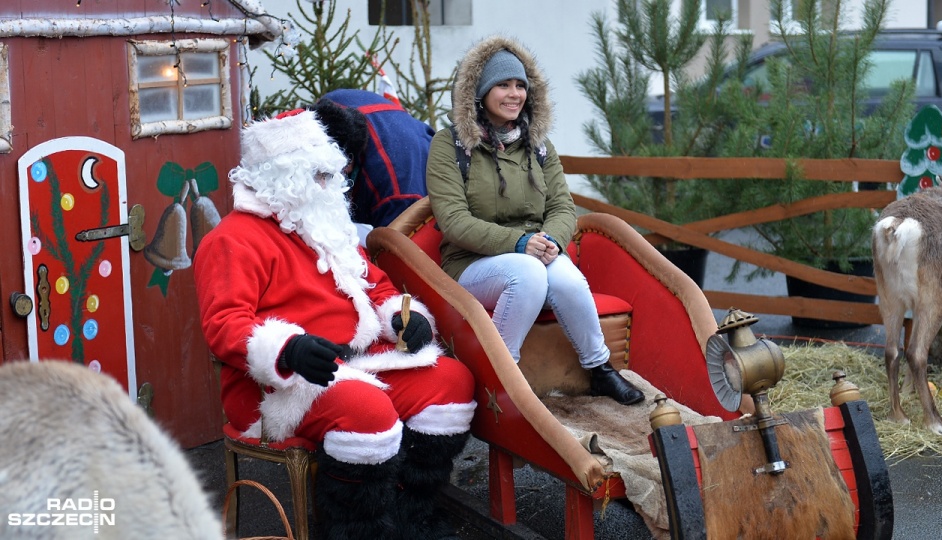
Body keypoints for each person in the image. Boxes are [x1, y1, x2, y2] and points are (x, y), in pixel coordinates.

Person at [193, 108, 476, 540]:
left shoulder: (325, 223)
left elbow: (376, 286)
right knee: (366, 412)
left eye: (332, 175)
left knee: (451, 381)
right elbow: (225, 326)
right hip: (282, 386)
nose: (331, 185)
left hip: (360, 361)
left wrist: (406, 317)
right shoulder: (231, 240)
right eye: (320, 176)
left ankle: (410, 515)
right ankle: (355, 530)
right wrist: (287, 350)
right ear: (284, 178)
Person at [425, 35, 644, 406]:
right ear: (479, 92)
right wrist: (520, 244)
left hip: (536, 252)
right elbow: (453, 221)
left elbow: (563, 207)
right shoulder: (450, 146)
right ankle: (501, 376)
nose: (514, 94)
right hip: (473, 263)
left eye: (520, 85)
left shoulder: (539, 146)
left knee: (570, 280)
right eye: (502, 85)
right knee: (527, 274)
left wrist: (553, 242)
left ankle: (600, 369)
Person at [309, 89, 434, 244]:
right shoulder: (330, 111)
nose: (319, 184)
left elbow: (400, 255)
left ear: (347, 162)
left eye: (325, 176)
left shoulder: (396, 195)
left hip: (422, 188)